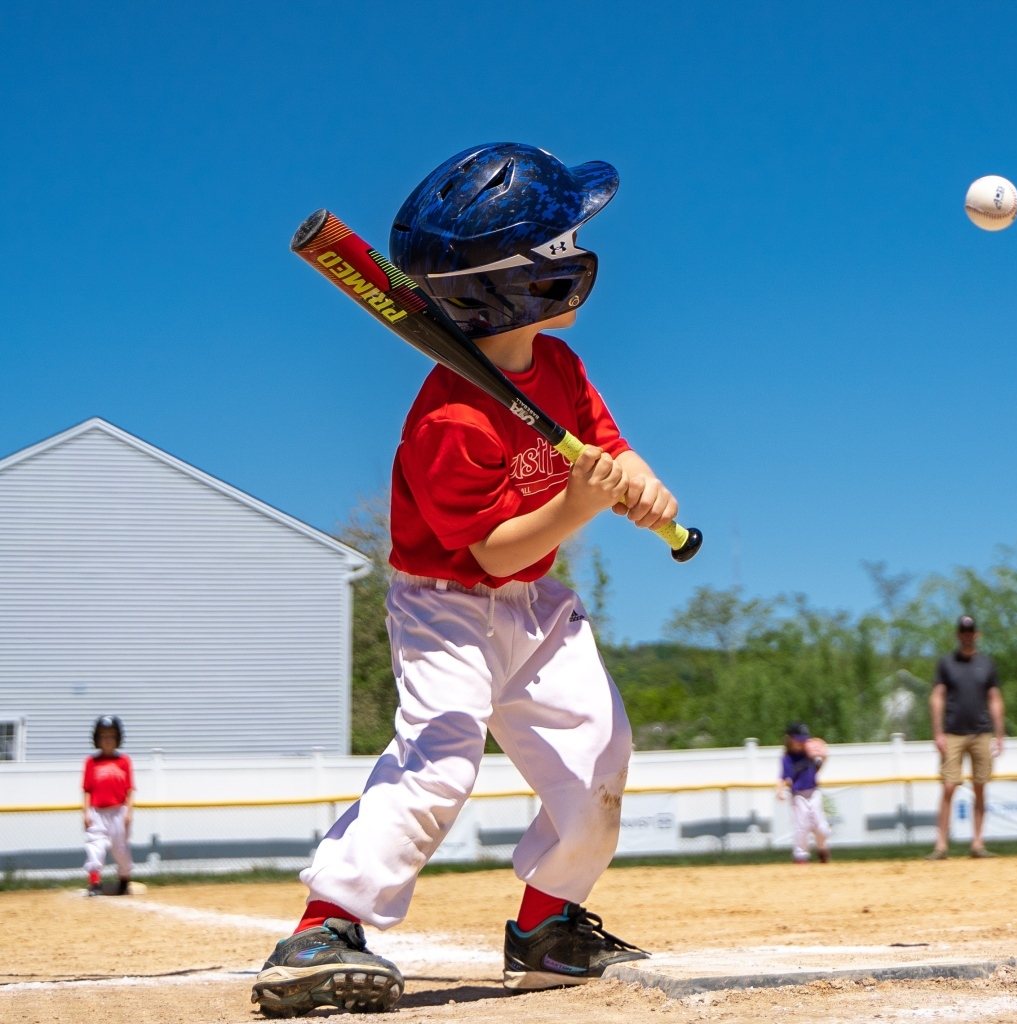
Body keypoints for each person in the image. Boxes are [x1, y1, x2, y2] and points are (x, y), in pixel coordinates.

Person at [252, 144, 679, 1017]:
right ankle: (325, 924)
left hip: (535, 607)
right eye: (558, 245)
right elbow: (493, 551)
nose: (576, 252)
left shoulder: (557, 369)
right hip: (445, 608)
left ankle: (548, 922)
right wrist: (579, 506)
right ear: (518, 283)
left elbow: (605, 442)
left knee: (599, 752)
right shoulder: (448, 414)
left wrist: (637, 477)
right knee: (441, 756)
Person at [927, 615, 1005, 859]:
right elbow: (937, 697)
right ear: (958, 635)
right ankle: (941, 845)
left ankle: (977, 844)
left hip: (981, 733)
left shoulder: (987, 664)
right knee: (949, 787)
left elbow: (994, 699)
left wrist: (1000, 734)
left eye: (970, 631)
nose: (967, 635)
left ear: (977, 634)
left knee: (980, 787)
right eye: (963, 631)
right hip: (953, 733)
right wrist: (938, 732)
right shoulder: (947, 663)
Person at [83, 714, 134, 895]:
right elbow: (87, 789)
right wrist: (86, 811)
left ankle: (124, 879)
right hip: (97, 811)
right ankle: (95, 882)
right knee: (95, 845)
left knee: (120, 847)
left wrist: (129, 812)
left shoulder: (124, 761)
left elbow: (129, 790)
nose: (107, 740)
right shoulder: (91, 762)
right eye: (103, 736)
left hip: (119, 810)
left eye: (112, 736)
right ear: (97, 739)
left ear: (118, 738)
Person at [776, 723, 831, 864]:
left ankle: (822, 849)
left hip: (814, 793)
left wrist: (824, 757)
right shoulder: (787, 758)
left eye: (803, 739)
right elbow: (783, 776)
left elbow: (816, 769)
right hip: (798, 795)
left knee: (821, 827)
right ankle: (800, 856)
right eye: (798, 739)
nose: (801, 742)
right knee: (802, 826)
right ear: (790, 739)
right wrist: (779, 790)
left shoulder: (809, 753)